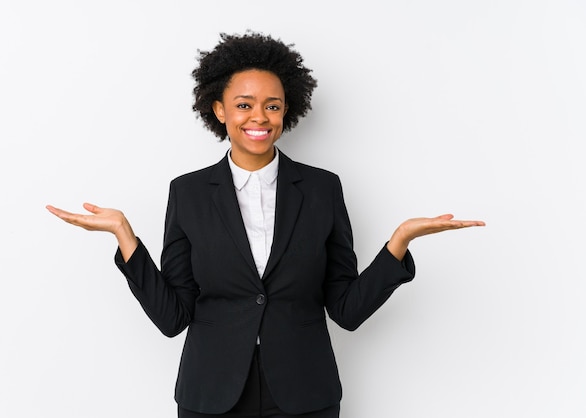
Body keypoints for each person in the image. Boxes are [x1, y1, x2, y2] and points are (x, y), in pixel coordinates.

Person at [46, 31, 485, 418]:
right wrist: (126, 238)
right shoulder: (189, 193)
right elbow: (172, 317)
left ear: (286, 111)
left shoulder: (321, 189)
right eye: (244, 105)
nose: (259, 117)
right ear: (219, 110)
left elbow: (347, 311)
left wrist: (399, 243)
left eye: (272, 106)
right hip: (210, 394)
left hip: (305, 394)